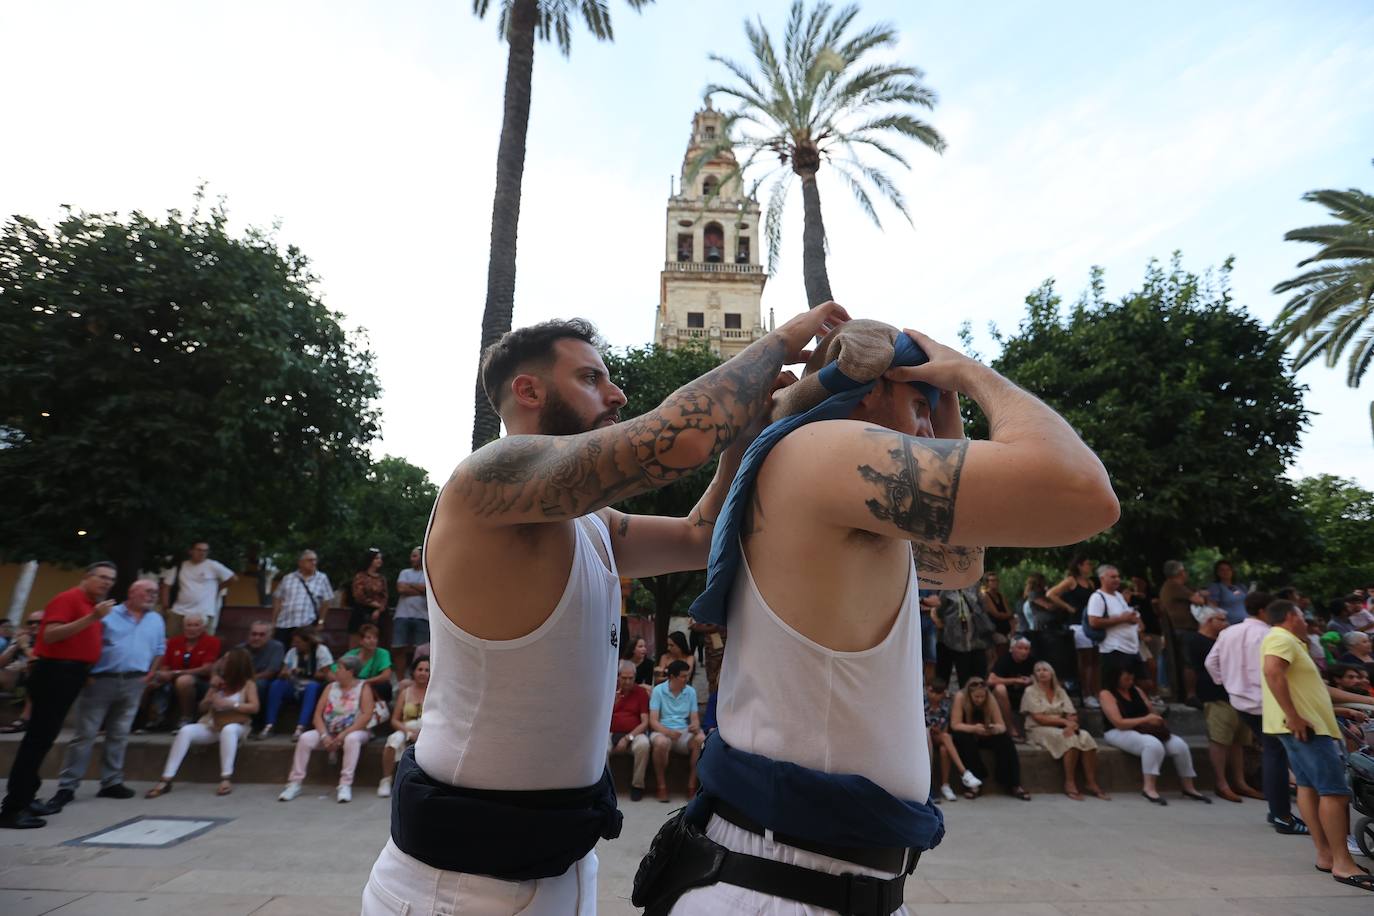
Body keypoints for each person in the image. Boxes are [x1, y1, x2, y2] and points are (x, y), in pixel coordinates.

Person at [364, 305, 846, 914]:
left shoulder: (589, 517)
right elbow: (680, 438)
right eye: (591, 378)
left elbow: (701, 537)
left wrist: (740, 446)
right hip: (459, 888)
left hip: (560, 868)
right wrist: (779, 342)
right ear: (529, 390)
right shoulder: (485, 480)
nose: (616, 393)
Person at [643, 320, 1117, 914]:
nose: (928, 428)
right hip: (783, 883)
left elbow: (958, 564)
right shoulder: (827, 450)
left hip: (800, 873)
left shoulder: (826, 484)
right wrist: (970, 375)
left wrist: (942, 412)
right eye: (920, 405)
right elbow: (1084, 494)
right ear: (869, 390)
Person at [1261, 598, 1374, 892]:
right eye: (1301, 614)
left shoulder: (1289, 642)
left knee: (1309, 788)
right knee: (1335, 793)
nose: (1306, 619)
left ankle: (1326, 855)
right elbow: (1272, 672)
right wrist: (1294, 717)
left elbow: (1317, 690)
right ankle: (1343, 863)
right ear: (1290, 616)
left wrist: (1355, 704)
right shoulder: (1281, 638)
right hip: (1307, 729)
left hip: (1302, 725)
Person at [1, 562, 117, 829]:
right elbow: (50, 636)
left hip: (70, 674)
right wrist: (92, 618)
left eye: (111, 579)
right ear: (86, 577)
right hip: (54, 673)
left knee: (43, 739)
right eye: (101, 577)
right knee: (37, 740)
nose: (107, 583)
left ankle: (26, 797)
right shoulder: (69, 599)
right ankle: (13, 808)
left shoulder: (91, 605)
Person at [47, 579, 165, 810]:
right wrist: (88, 673)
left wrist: (151, 673)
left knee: (120, 733)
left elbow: (160, 648)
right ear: (132, 592)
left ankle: (111, 781)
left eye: (156, 592)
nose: (153, 595)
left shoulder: (156, 619)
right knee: (85, 734)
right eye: (148, 591)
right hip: (102, 679)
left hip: (134, 681)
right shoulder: (108, 614)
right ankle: (68, 786)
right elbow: (89, 643)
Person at [1204, 590, 1308, 834]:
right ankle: (1281, 814)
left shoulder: (1229, 632)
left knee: (1274, 754)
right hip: (1269, 703)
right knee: (1279, 756)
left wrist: (1228, 682)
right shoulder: (1271, 634)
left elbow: (1211, 662)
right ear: (1264, 611)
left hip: (1240, 702)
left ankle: (1279, 812)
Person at [146, 647, 260, 798]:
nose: (223, 662)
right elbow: (202, 708)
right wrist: (211, 696)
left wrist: (230, 704)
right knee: (186, 731)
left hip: (236, 725)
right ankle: (166, 779)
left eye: (227, 660)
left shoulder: (248, 684)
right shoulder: (218, 682)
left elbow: (254, 707)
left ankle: (226, 778)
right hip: (212, 724)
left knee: (229, 730)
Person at [1100, 667, 1209, 805]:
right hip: (1118, 731)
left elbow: (1151, 712)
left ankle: (1188, 786)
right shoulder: (1106, 694)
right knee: (1152, 745)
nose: (1130, 682)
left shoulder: (1137, 691)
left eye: (1132, 679)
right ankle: (1149, 787)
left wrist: (1157, 719)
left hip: (1145, 730)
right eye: (1126, 679)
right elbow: (1118, 722)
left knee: (1179, 745)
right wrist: (1145, 720)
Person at [280, 653, 375, 804]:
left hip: (355, 731)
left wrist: (343, 735)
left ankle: (345, 784)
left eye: (340, 668)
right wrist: (324, 736)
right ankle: (294, 783)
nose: (335, 671)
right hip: (329, 731)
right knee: (305, 738)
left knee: (351, 739)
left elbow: (366, 716)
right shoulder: (330, 687)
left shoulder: (363, 687)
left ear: (350, 672)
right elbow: (317, 715)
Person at [1189, 607, 1262, 803]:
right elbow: (1201, 667)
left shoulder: (1225, 638)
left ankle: (1239, 782)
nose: (1225, 623)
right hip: (1215, 695)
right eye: (1220, 619)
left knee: (1238, 741)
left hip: (1236, 695)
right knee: (1220, 739)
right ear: (1208, 621)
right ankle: (1221, 783)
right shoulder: (1195, 641)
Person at [1021, 660, 1107, 800]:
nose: (1042, 672)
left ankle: (1091, 782)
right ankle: (1069, 782)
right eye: (1038, 670)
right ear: (1035, 675)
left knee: (1085, 736)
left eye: (1045, 670)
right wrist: (1064, 722)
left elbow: (1071, 713)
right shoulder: (1030, 691)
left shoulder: (1060, 691)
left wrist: (1071, 724)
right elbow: (1039, 718)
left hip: (1060, 727)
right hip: (1037, 728)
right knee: (1069, 738)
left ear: (1051, 673)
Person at [949, 677, 1029, 800]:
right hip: (968, 732)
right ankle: (974, 783)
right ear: (970, 695)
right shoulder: (960, 697)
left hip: (985, 733)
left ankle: (1014, 783)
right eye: (976, 697)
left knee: (1005, 740)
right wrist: (974, 729)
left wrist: (993, 728)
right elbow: (955, 725)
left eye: (982, 697)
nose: (979, 700)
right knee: (963, 739)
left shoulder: (990, 699)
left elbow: (1001, 726)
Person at [145, 612, 222, 730]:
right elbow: (166, 667)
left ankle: (187, 717)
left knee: (183, 681)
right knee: (149, 681)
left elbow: (206, 669)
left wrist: (176, 673)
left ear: (203, 627)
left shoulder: (212, 641)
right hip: (173, 679)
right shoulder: (174, 642)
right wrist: (162, 674)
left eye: (196, 625)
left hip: (201, 682)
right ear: (183, 627)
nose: (191, 629)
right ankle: (148, 719)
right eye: (188, 625)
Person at [257, 628, 334, 741]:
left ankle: (301, 726)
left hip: (313, 686)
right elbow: (283, 671)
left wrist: (306, 672)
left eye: (298, 642)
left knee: (312, 687)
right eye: (294, 642)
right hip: (294, 684)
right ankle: (269, 724)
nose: (294, 645)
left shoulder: (321, 650)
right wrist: (286, 673)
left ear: (308, 642)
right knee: (277, 684)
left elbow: (326, 674)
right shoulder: (292, 652)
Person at [649, 660, 703, 801]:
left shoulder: (690, 691)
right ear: (672, 677)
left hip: (683, 732)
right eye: (683, 676)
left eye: (687, 676)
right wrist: (667, 732)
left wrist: (695, 726)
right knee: (661, 743)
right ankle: (661, 786)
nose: (687, 679)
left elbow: (695, 718)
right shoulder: (658, 691)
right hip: (662, 730)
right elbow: (653, 721)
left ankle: (691, 785)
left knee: (700, 739)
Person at [1047, 554, 1097, 704]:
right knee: (1085, 659)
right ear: (1080, 566)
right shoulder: (1071, 581)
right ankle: (1086, 693)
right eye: (1088, 564)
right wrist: (1068, 607)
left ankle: (1094, 691)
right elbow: (1051, 594)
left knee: (1094, 660)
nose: (1090, 567)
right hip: (1077, 624)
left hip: (1090, 623)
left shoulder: (1090, 583)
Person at [1085, 564, 1142, 689]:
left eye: (1118, 577)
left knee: (1134, 684)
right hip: (1113, 649)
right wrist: (1122, 619)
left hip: (1130, 647)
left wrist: (1133, 619)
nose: (1117, 579)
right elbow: (1094, 621)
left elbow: (1125, 616)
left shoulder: (1119, 596)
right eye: (1113, 577)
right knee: (1116, 686)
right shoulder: (1097, 597)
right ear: (1102, 579)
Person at [160, 540, 236, 636]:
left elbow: (232, 578)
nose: (202, 553)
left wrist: (218, 588)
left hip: (204, 612)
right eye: (199, 550)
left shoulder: (213, 565)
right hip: (179, 611)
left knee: (203, 644)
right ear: (191, 551)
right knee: (173, 640)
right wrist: (165, 606)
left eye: (205, 551)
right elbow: (166, 585)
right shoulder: (181, 566)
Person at [1159, 560, 1208, 706]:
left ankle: (1188, 694)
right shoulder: (1174, 585)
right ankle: (1191, 695)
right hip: (1184, 629)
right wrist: (1202, 596)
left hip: (1180, 630)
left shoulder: (1170, 586)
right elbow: (1198, 600)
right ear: (1180, 573)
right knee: (1189, 662)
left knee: (1186, 661)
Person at [379, 658, 429, 798]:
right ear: (413, 671)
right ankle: (386, 780)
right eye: (420, 669)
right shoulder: (405, 693)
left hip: (428, 730)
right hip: (406, 728)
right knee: (392, 742)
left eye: (427, 670)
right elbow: (394, 720)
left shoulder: (434, 692)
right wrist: (408, 732)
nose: (423, 673)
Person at [925, 678, 980, 802]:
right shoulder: (921, 702)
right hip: (924, 737)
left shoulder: (946, 704)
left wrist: (938, 730)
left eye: (938, 693)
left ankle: (945, 785)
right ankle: (965, 773)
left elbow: (945, 729)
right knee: (943, 738)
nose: (934, 696)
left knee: (945, 746)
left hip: (939, 736)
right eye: (932, 692)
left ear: (943, 693)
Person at [272, 550, 334, 649]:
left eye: (315, 560)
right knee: (282, 651)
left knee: (303, 653)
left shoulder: (322, 578)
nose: (314, 563)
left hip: (306, 625)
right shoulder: (288, 578)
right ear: (300, 562)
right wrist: (274, 621)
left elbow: (327, 601)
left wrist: (321, 621)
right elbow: (277, 598)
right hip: (284, 623)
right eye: (310, 560)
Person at [609, 660, 651, 801]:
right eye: (624, 678)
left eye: (631, 678)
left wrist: (628, 738)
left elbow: (645, 722)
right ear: (618, 676)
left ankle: (637, 786)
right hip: (610, 733)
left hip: (634, 733)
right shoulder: (609, 691)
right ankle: (606, 787)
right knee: (600, 749)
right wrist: (614, 702)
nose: (627, 681)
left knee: (644, 744)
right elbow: (600, 719)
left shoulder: (640, 693)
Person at [934, 584, 991, 686]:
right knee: (963, 675)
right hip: (956, 641)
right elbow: (940, 610)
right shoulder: (946, 590)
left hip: (977, 639)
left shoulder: (974, 586)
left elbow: (983, 607)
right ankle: (964, 698)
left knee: (980, 675)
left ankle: (979, 697)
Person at [236, 620, 284, 731]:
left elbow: (272, 671)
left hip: (265, 681)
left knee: (259, 685)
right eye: (254, 634)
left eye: (261, 635)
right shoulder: (240, 649)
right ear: (249, 635)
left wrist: (248, 682)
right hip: (242, 681)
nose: (257, 638)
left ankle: (257, 722)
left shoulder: (276, 647)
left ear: (269, 636)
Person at [987, 636, 1035, 741]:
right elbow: (990, 681)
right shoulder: (1005, 659)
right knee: (1000, 689)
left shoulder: (1031, 660)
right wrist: (1015, 680)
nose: (1023, 652)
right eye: (1020, 648)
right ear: (1012, 649)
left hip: (1023, 695)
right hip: (1005, 696)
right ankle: (1010, 727)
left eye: (1026, 649)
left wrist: (1032, 680)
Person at [393, 547, 428, 678]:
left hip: (422, 617)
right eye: (412, 556)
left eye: (415, 556)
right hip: (402, 615)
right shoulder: (404, 572)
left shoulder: (429, 573)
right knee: (399, 647)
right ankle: (400, 679)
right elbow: (401, 589)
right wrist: (420, 589)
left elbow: (428, 590)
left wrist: (410, 586)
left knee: (420, 650)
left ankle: (416, 679)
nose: (412, 558)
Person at [340, 623, 393, 704]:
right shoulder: (352, 654)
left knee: (385, 686)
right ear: (361, 641)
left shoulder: (383, 653)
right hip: (352, 684)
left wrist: (364, 682)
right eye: (368, 638)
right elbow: (335, 669)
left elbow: (386, 675)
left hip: (372, 684)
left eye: (375, 638)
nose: (372, 641)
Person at [349, 549, 389, 650]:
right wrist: (373, 604)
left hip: (378, 613)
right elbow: (358, 594)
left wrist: (379, 609)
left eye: (380, 558)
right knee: (357, 642)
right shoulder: (360, 576)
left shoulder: (381, 578)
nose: (379, 561)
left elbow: (385, 596)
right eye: (376, 558)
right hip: (362, 611)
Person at [979, 571, 1015, 660]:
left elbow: (1009, 613)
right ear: (987, 582)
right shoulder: (985, 596)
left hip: (1005, 630)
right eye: (992, 580)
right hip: (993, 630)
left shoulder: (1000, 596)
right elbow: (996, 614)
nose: (995, 582)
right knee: (999, 652)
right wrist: (1007, 614)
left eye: (996, 580)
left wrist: (1007, 616)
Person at [1206, 560, 1248, 626]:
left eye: (1228, 569)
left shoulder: (1240, 586)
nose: (1226, 572)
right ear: (1217, 573)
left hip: (1246, 622)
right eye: (1222, 570)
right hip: (1230, 625)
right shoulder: (1216, 587)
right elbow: (1213, 606)